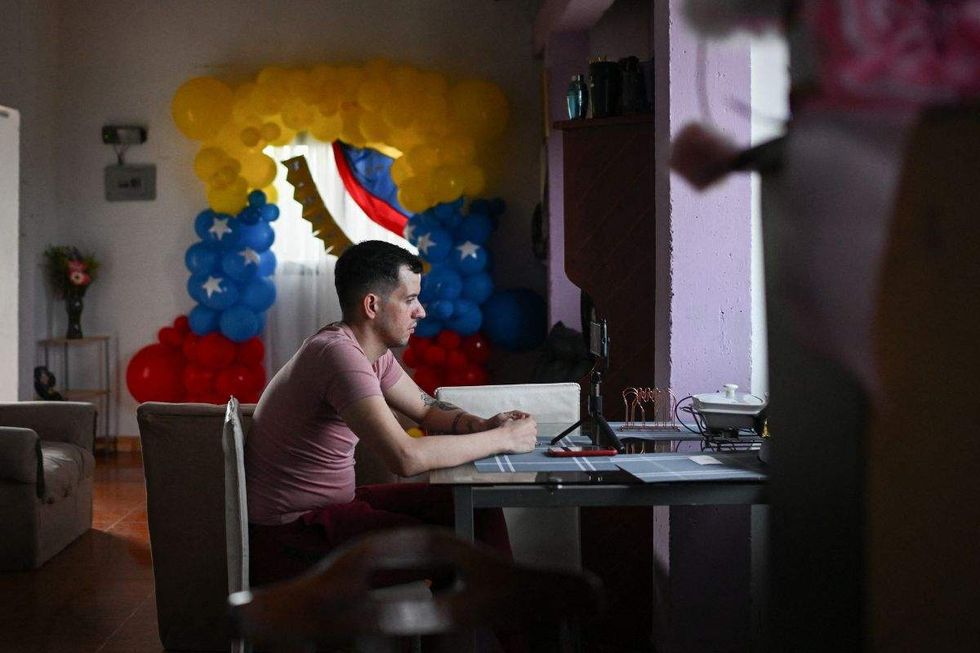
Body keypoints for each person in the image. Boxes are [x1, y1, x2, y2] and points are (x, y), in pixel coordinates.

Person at [245, 240, 538, 586]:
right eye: (410, 299)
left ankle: (507, 630)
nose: (422, 312)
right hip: (294, 537)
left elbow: (426, 410)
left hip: (331, 511)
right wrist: (502, 438)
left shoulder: (368, 353)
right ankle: (502, 632)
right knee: (454, 547)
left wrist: (483, 424)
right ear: (372, 305)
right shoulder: (338, 357)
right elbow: (405, 457)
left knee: (477, 507)